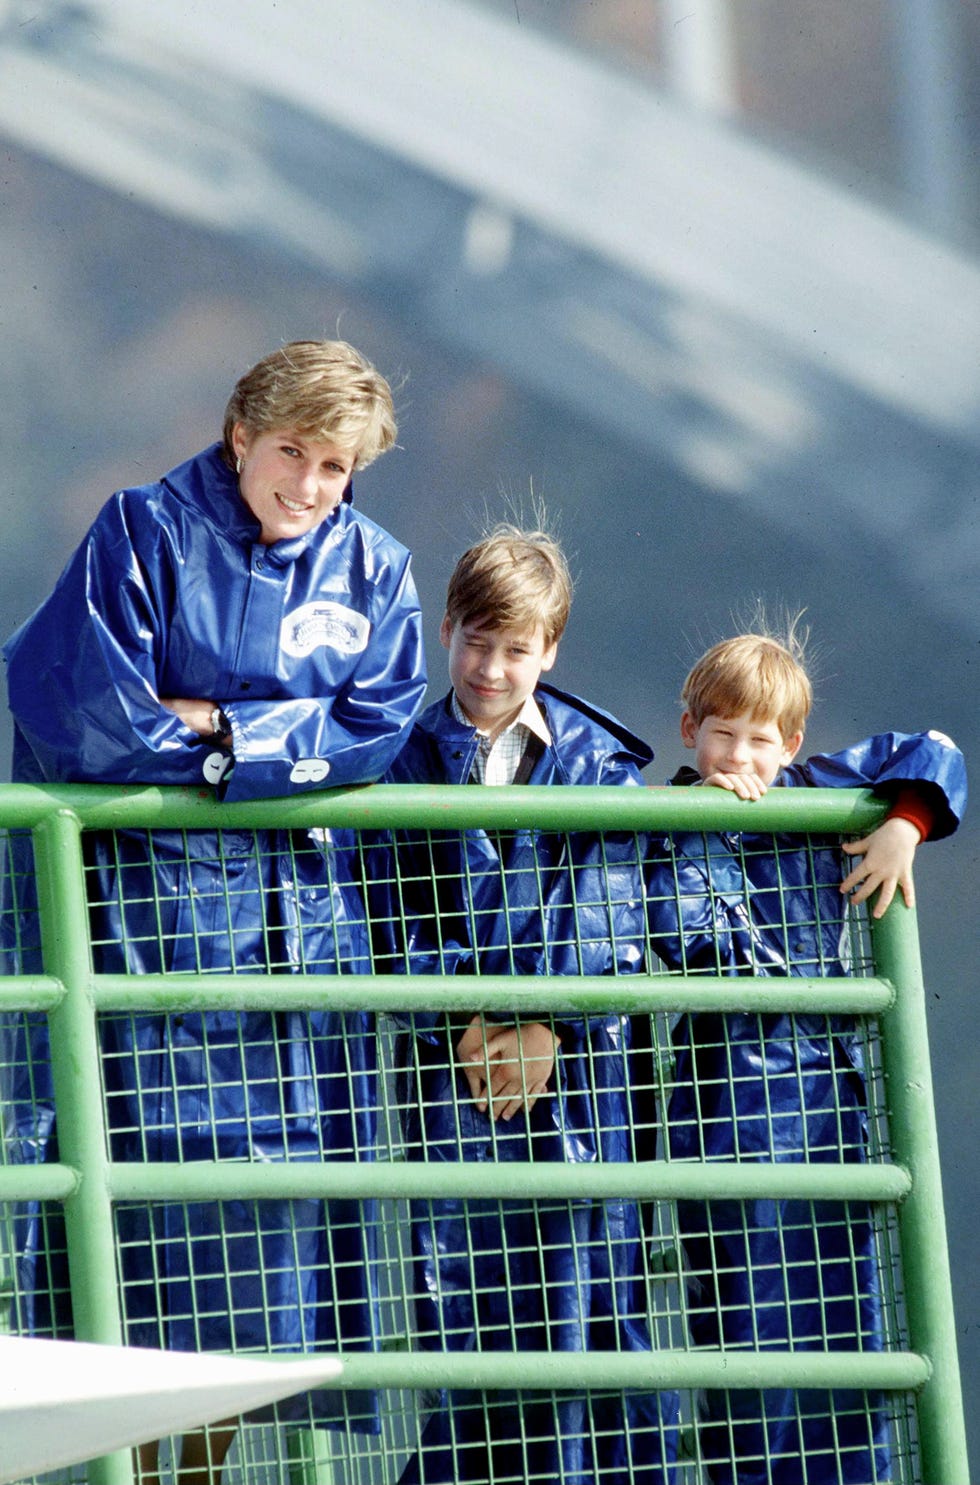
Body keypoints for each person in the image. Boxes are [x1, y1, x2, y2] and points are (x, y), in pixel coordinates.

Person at [1, 340, 427, 1483]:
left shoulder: (376, 569)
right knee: (123, 1241)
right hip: (140, 943)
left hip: (294, 970)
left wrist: (224, 731)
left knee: (264, 1268)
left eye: (335, 465)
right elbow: (86, 715)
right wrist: (284, 738)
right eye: (291, 452)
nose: (309, 485)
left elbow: (377, 727)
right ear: (241, 433)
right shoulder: (140, 532)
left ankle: (192, 1476)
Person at [376, 524, 678, 1485]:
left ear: (550, 651)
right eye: (476, 641)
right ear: (447, 631)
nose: (492, 669)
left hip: (580, 1075)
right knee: (464, 1296)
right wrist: (462, 1018)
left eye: (517, 649)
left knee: (589, 1289)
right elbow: (388, 909)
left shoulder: (597, 766)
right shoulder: (402, 761)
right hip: (457, 1075)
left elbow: (611, 908)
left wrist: (550, 1020)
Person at [644, 628, 967, 1485]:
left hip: (828, 1113)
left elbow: (934, 751)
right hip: (724, 1121)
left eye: (760, 740)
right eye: (722, 733)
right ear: (689, 731)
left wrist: (904, 822)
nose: (740, 757)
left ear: (791, 745)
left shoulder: (820, 793)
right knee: (743, 1339)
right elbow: (683, 931)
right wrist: (712, 822)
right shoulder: (667, 819)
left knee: (843, 1329)